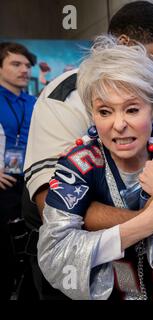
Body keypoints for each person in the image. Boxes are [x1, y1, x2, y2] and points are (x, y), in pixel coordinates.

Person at [22, 1, 153, 299]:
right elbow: (51, 204)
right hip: (84, 274)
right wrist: (151, 219)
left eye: (134, 109)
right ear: (126, 45)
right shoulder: (64, 96)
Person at [0, 42, 36, 300]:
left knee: (28, 244)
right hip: (2, 183)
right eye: (16, 64)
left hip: (31, 181)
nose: (24, 69)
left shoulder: (35, 101)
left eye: (27, 65)